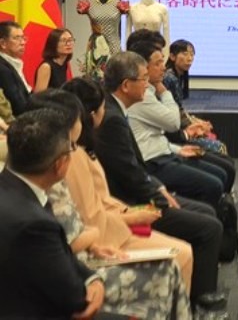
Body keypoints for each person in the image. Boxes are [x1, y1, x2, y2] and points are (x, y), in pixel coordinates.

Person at [28, 89, 193, 319]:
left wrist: (114, 223)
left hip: (99, 237)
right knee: (179, 257)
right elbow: (80, 228)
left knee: (175, 259)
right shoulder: (67, 159)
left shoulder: (72, 153)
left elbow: (88, 213)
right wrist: (128, 218)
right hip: (84, 258)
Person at [93, 51, 227, 311]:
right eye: (144, 79)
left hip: (144, 184)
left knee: (208, 210)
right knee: (209, 226)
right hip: (130, 203)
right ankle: (199, 300)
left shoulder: (115, 110)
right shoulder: (111, 119)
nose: (148, 84)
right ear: (126, 85)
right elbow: (129, 173)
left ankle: (198, 288)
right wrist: (158, 196)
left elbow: (133, 167)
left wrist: (158, 187)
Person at [0, 108, 105, 318]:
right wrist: (96, 285)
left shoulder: (18, 188)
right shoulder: (35, 224)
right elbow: (75, 299)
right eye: (71, 149)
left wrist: (91, 278)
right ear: (60, 164)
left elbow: (61, 254)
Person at [127, 40, 226, 207]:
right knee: (217, 177)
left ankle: (220, 209)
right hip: (156, 161)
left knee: (222, 171)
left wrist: (182, 144)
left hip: (167, 149)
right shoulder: (146, 94)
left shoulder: (150, 90)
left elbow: (164, 128)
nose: (163, 67)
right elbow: (173, 123)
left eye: (192, 54)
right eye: (158, 63)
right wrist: (163, 90)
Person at [163, 38, 230, 158]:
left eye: (192, 54)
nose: (189, 58)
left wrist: (196, 122)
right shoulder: (170, 78)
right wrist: (196, 124)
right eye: (185, 54)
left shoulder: (176, 76)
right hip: (172, 132)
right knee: (219, 147)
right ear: (172, 56)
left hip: (177, 126)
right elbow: (175, 112)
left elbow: (179, 110)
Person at [0, 21, 31, 115]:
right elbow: (18, 105)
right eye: (17, 38)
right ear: (3, 43)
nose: (23, 43)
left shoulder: (13, 63)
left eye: (23, 38)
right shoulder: (2, 69)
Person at [33, 27, 74, 92]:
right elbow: (39, 98)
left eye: (70, 40)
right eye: (63, 40)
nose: (68, 44)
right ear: (54, 44)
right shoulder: (46, 67)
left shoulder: (63, 64)